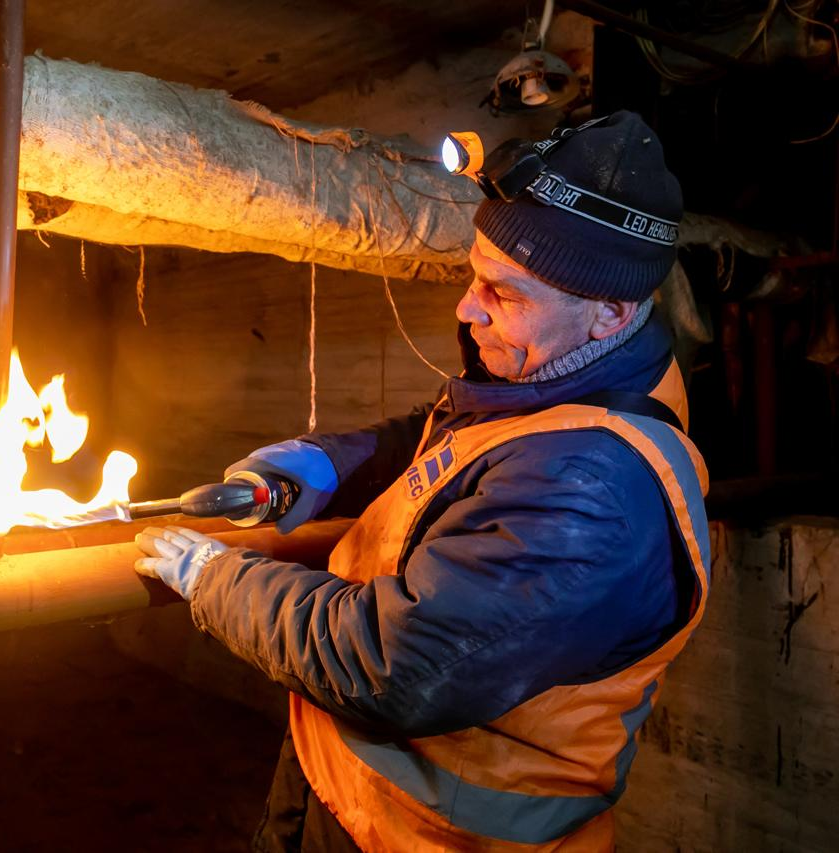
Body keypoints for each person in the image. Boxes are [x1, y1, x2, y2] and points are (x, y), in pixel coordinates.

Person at [134, 110, 710, 852]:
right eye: (474, 275)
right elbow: (458, 436)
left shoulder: (592, 494)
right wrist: (328, 465)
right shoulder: (556, 381)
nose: (467, 308)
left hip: (427, 836)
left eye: (505, 293)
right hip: (345, 783)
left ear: (608, 312)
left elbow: (390, 663)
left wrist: (214, 578)